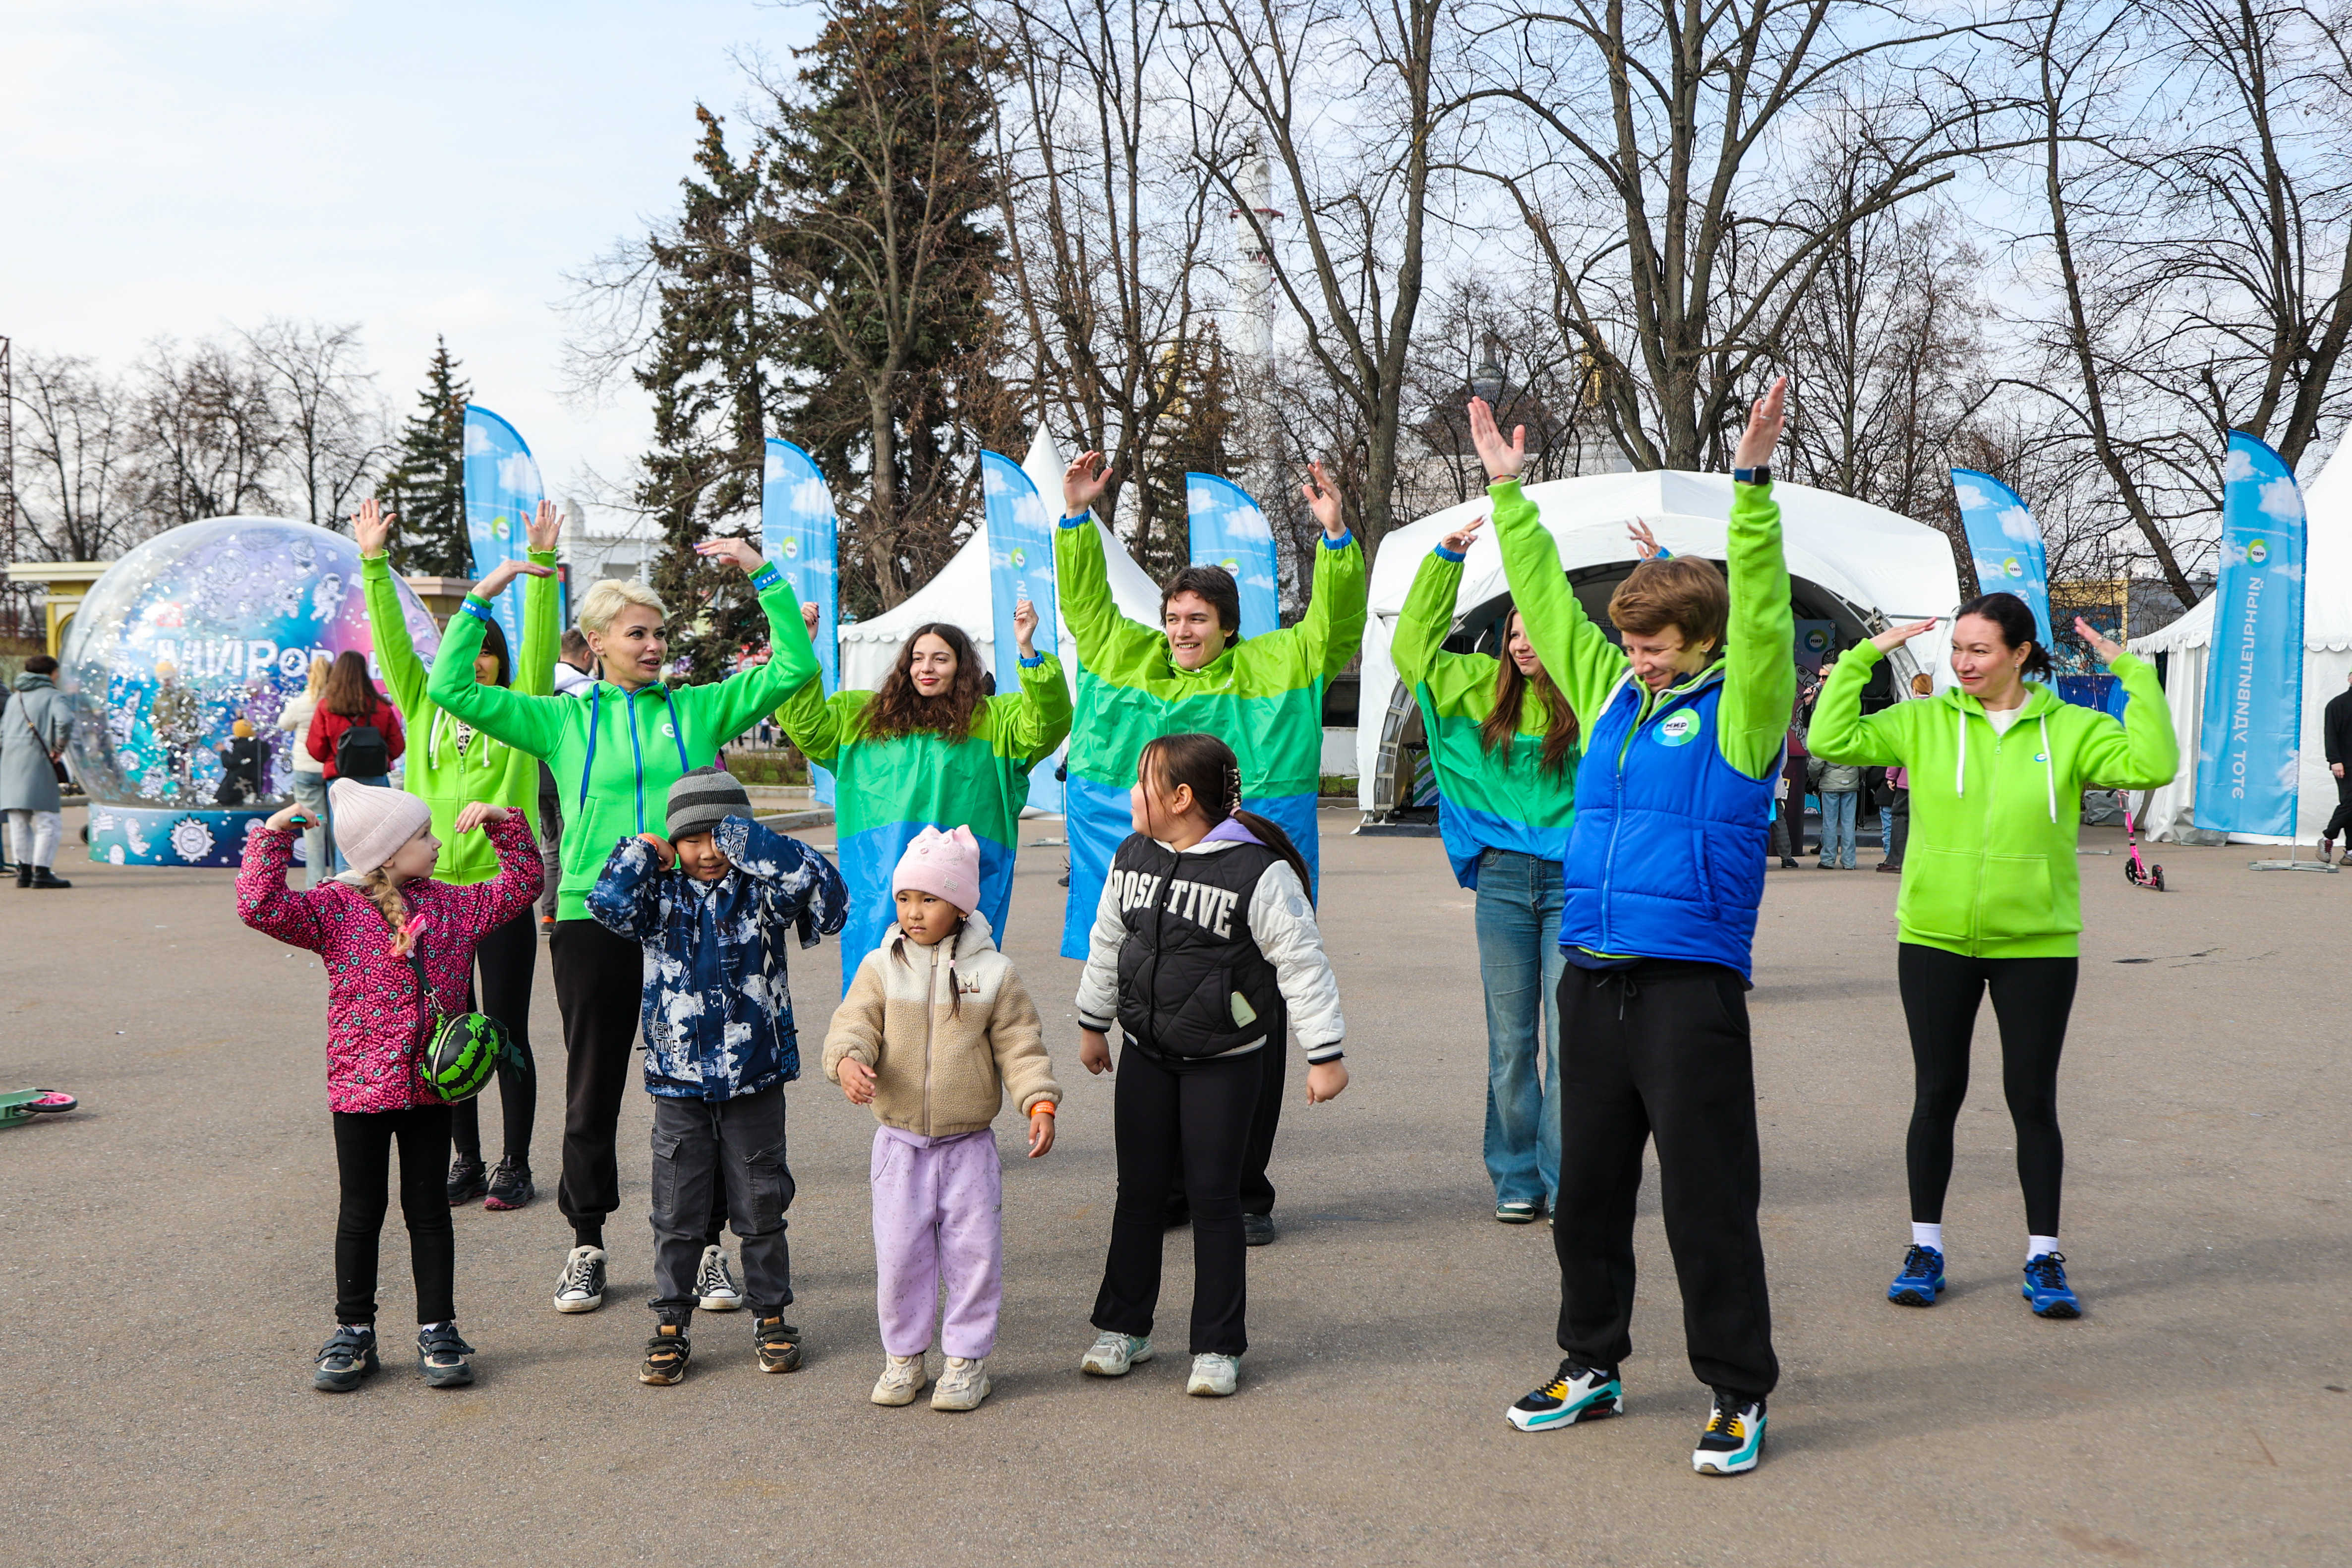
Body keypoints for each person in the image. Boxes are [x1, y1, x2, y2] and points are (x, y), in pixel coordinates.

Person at [1481, 380, 1793, 1476]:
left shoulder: (1742, 712)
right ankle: (1591, 1361)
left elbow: (1762, 614)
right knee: (1589, 1196)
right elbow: (1549, 611)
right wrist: (1508, 497)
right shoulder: (1611, 698)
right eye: (1628, 644)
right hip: (1593, 977)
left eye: (1654, 645)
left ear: (1697, 639)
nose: (1634, 658)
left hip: (1685, 987)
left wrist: (1749, 483)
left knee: (1707, 1201)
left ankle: (1736, 1391)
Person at [425, 520, 820, 1317]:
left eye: (660, 632)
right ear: (597, 641)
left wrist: (760, 571)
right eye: (637, 632)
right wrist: (475, 605)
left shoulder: (699, 708)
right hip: (588, 915)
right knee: (593, 1083)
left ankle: (708, 1249)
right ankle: (587, 1242)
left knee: (707, 1082)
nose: (653, 644)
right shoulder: (563, 719)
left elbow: (796, 664)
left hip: (691, 915)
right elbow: (452, 690)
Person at [1807, 595, 2177, 1321]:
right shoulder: (1924, 721)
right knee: (1935, 1095)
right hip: (1935, 936)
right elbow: (1833, 736)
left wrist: (2130, 669)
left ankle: (2044, 1254)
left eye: (1980, 650)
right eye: (1959, 649)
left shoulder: (2071, 729)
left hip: (2036, 943)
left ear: (2018, 652)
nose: (1964, 662)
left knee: (2032, 1101)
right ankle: (1925, 1247)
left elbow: (2153, 760)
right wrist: (1864, 652)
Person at [1055, 455, 1365, 1246]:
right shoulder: (1127, 658)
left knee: (1247, 1033)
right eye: (1174, 616)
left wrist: (1334, 536)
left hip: (1246, 881)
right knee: (1157, 1014)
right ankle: (1163, 1187)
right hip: (1164, 883)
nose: (1182, 630)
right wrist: (1076, 521)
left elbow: (1333, 623)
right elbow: (1087, 607)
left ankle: (1244, 1188)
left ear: (1228, 622)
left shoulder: (1281, 661)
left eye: (1198, 618)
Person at [235, 780, 543, 1392]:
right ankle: (354, 1332)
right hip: (358, 1089)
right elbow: (259, 907)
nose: (433, 844)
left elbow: (522, 885)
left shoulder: (451, 905)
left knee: (428, 1212)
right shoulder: (333, 908)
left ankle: (438, 1329)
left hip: (430, 1089)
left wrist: (504, 824)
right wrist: (271, 840)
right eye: (422, 836)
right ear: (387, 852)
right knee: (360, 1211)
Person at [1073, 733, 1348, 1399]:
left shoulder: (1258, 872)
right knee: (1137, 1194)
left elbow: (1302, 963)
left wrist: (1325, 1053)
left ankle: (1218, 1344)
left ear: (1181, 797)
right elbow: (1109, 938)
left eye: (1141, 783)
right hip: (1146, 1052)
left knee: (1215, 1200)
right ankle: (1123, 1328)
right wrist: (1092, 1020)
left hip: (1224, 1061)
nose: (1129, 795)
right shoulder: (1133, 852)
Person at [587, 766, 848, 1386]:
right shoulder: (660, 895)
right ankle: (671, 1324)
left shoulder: (760, 891)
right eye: (692, 839)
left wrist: (753, 843)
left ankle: (772, 1315)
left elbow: (829, 902)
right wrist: (642, 850)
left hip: (754, 1082)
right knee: (676, 1212)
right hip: (678, 1085)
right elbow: (606, 905)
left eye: (720, 837)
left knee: (762, 1207)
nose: (707, 852)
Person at [353, 497, 555, 1213]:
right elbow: (393, 645)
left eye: (486, 652)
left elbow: (538, 648)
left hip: (498, 892)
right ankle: (465, 1157)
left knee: (503, 1027)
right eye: (465, 653)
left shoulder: (523, 707)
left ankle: (516, 1161)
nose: (476, 661)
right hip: (431, 894)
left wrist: (543, 572)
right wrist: (375, 563)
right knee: (444, 1025)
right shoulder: (425, 705)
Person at [823, 824, 1061, 1412]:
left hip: (968, 1146)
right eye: (905, 897)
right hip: (899, 1145)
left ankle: (966, 1361)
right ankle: (904, 1357)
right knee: (901, 1255)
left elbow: (1020, 1044)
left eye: (928, 899)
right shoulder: (882, 966)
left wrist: (1039, 1099)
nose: (913, 911)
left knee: (973, 1254)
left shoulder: (995, 973)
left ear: (960, 905)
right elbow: (853, 1023)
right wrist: (848, 1060)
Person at [1387, 513, 1581, 1224]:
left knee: (1568, 1045)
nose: (1526, 643)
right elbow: (1411, 647)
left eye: (1539, 631)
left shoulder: (1591, 696)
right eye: (1515, 633)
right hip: (1502, 881)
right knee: (1512, 1044)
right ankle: (1516, 1174)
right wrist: (1445, 560)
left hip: (1574, 886)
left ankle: (1565, 1178)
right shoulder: (1473, 686)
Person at [771, 599, 1069, 989]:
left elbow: (1049, 720)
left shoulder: (997, 722)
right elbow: (806, 724)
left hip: (959, 888)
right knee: (878, 991)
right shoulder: (864, 719)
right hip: (884, 883)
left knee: (959, 993)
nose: (926, 668)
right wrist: (800, 649)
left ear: (962, 667)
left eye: (940, 659)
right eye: (917, 658)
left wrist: (1028, 651)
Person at [307, 650, 406, 872]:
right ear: (364, 672)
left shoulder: (327, 707)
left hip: (341, 782)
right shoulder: (382, 706)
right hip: (378, 781)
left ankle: (345, 895)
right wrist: (379, 758)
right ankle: (382, 894)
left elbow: (316, 748)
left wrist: (335, 758)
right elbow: (398, 746)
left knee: (345, 843)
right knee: (381, 841)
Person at [539, 629, 598, 932]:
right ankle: (565, 911)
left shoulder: (542, 686)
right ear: (587, 655)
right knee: (573, 847)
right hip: (568, 784)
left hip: (538, 783)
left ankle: (548, 912)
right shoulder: (585, 692)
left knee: (551, 846)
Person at [3, 656, 74, 889]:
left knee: (18, 819)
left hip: (11, 761)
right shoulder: (54, 696)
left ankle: (23, 872)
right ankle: (42, 872)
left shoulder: (16, 697)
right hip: (38, 759)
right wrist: (59, 748)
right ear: (51, 674)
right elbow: (65, 721)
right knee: (48, 819)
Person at [277, 656, 334, 886]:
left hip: (305, 771)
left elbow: (284, 724)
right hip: (331, 769)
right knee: (339, 828)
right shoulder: (335, 702)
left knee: (313, 827)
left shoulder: (301, 702)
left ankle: (316, 887)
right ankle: (343, 884)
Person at [1806, 685, 1863, 869]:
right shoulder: (1854, 729)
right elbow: (1865, 759)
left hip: (1830, 784)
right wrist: (1857, 773)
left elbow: (1817, 762)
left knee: (1829, 823)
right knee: (1849, 823)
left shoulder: (1827, 730)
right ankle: (1849, 861)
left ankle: (1828, 860)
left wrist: (1815, 778)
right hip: (1851, 783)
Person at [2320, 672, 2352, 864]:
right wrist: (2334, 760)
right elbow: (2330, 734)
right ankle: (2327, 837)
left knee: (2351, 806)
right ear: (2350, 679)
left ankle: (2350, 851)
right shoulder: (2337, 704)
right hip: (2345, 764)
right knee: (2350, 802)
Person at [213, 720, 267, 806]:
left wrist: (224, 751)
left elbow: (230, 763)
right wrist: (241, 718)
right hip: (253, 781)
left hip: (236, 785)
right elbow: (245, 729)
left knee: (227, 805)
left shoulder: (241, 746)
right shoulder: (261, 746)